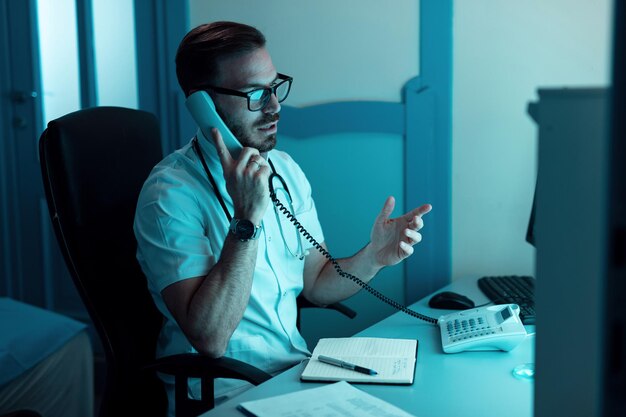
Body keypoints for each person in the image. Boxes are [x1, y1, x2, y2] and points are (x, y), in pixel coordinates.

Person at [133, 21, 431, 414]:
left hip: (295, 376)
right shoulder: (169, 195)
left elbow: (317, 285)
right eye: (256, 94)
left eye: (275, 87)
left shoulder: (284, 170)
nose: (274, 106)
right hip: (222, 395)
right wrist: (247, 217)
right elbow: (210, 339)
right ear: (202, 104)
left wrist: (374, 256)